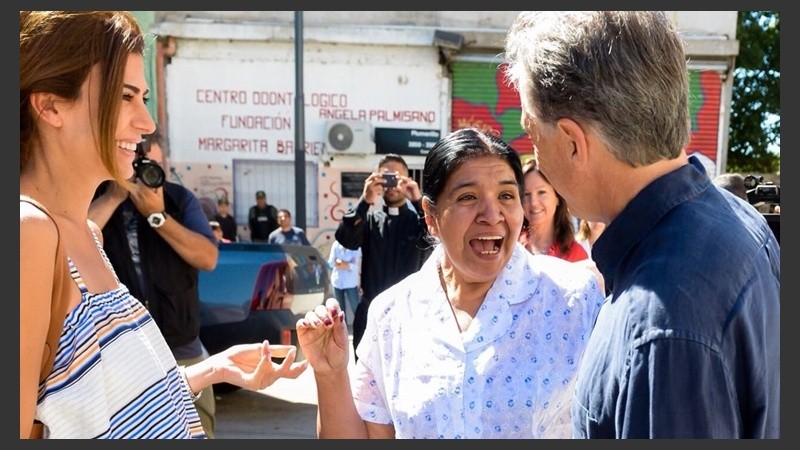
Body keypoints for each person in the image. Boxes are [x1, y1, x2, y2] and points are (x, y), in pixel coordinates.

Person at [20, 11, 307, 439]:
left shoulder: (87, 234)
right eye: (124, 96)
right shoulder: (29, 233)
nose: (147, 123)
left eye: (145, 98)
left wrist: (210, 370)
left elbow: (101, 406)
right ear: (50, 106)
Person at [504, 11, 780, 438]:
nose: (532, 150)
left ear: (573, 142)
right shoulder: (736, 218)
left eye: (530, 131)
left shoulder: (659, 327)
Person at [297, 127, 605, 439]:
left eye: (506, 195)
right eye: (468, 197)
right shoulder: (392, 315)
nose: (491, 213)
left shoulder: (573, 299)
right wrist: (330, 373)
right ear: (431, 216)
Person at [90, 127, 222, 437]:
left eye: (152, 164)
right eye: (137, 161)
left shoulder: (179, 200)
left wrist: (157, 216)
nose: (144, 171)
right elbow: (70, 244)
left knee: (196, 431)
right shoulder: (96, 196)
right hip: (118, 350)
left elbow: (208, 258)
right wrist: (113, 196)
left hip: (181, 345)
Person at [334, 153, 431, 362]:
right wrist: (365, 200)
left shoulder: (418, 221)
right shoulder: (368, 220)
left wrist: (418, 199)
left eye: (397, 177)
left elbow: (435, 240)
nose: (392, 184)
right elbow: (346, 239)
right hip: (370, 314)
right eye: (386, 177)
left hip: (409, 315)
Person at [518, 157, 588, 262]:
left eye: (541, 192)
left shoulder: (575, 254)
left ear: (558, 198)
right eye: (526, 194)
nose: (533, 202)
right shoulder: (511, 247)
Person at [326, 239, 361, 328]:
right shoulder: (336, 244)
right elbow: (331, 262)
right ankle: (342, 331)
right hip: (337, 282)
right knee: (340, 310)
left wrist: (340, 263)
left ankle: (360, 329)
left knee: (356, 308)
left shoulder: (355, 246)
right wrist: (345, 264)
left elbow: (355, 265)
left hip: (350, 282)